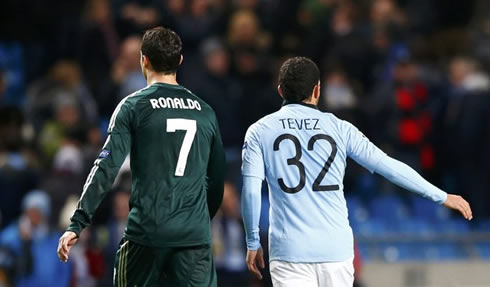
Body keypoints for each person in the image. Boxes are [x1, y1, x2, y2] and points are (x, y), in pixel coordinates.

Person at [240, 57, 472, 287]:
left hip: (290, 250)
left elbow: (251, 191)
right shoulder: (341, 129)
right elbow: (389, 166)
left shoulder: (259, 131)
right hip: (336, 249)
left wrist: (252, 241)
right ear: (318, 90)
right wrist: (441, 195)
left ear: (280, 90)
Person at [57, 26, 226, 287]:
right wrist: (198, 221)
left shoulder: (133, 106)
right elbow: (216, 179)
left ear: (143, 60)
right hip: (194, 235)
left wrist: (78, 222)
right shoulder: (205, 111)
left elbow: (107, 167)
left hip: (147, 233)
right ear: (180, 61)